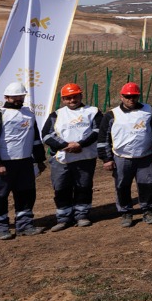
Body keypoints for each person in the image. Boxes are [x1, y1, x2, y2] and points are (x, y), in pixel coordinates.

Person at [0, 81, 47, 239]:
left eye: (21, 96)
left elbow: (35, 139)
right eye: (14, 97)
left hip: (25, 162)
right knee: (0, 196)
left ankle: (25, 225)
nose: (18, 99)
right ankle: (1, 227)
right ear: (6, 97)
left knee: (26, 194)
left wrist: (40, 160)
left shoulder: (29, 114)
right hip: (3, 164)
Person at [41, 82, 104, 231]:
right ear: (63, 99)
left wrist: (80, 144)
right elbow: (46, 135)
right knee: (61, 187)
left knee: (84, 186)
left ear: (81, 96)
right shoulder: (56, 115)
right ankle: (63, 218)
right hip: (62, 158)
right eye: (68, 98)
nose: (72, 100)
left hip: (85, 157)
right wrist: (65, 145)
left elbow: (97, 131)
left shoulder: (93, 111)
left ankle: (82, 215)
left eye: (75, 96)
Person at [105, 82, 152, 227]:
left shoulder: (148, 110)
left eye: (134, 96)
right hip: (122, 157)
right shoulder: (112, 114)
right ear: (121, 97)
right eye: (127, 96)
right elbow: (103, 138)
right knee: (122, 186)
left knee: (148, 184)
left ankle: (148, 211)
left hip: (145, 156)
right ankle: (126, 213)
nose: (131, 99)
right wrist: (106, 158)